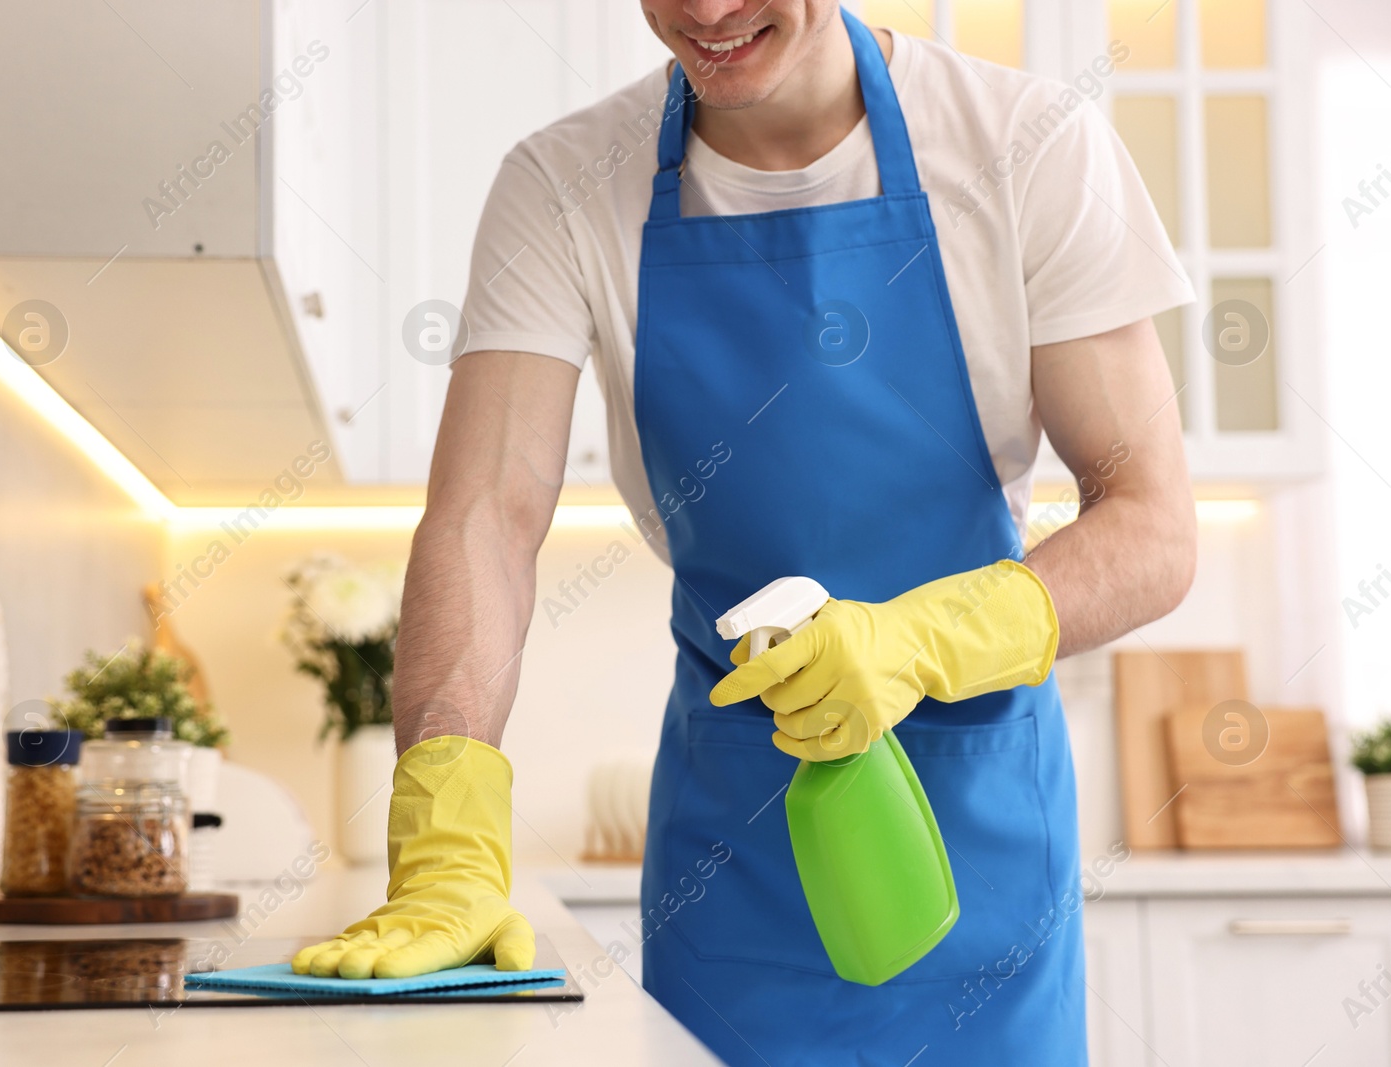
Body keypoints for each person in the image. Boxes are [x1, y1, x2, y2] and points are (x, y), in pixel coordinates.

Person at [292, 2, 1195, 1063]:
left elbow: (1151, 525)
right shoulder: (564, 182)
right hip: (730, 852)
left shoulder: (1024, 144)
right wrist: (445, 823)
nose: (708, 11)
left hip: (976, 848)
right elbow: (484, 516)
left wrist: (921, 640)